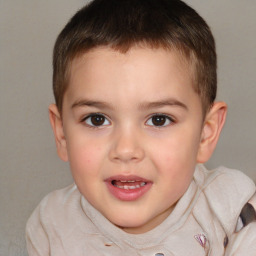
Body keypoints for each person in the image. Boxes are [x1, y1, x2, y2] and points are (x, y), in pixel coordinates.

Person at [26, 0, 256, 255]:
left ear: (206, 132)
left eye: (159, 119)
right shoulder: (52, 225)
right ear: (62, 135)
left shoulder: (230, 208)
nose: (126, 150)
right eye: (97, 119)